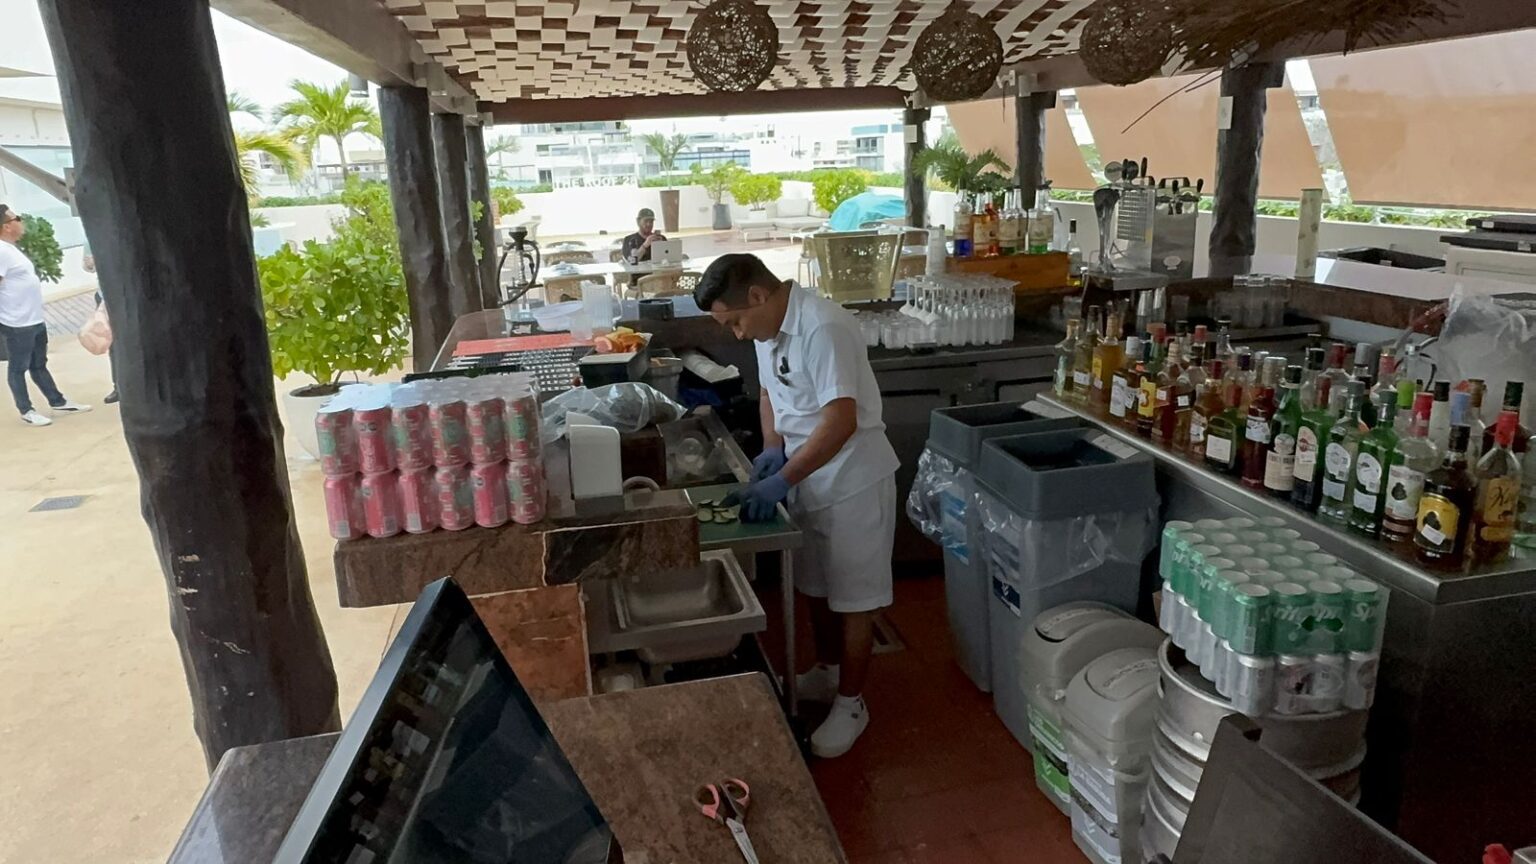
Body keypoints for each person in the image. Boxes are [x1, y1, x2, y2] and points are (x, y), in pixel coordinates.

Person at [696, 253, 899, 758]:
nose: (739, 334)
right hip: (806, 476)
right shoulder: (770, 332)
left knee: (854, 599)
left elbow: (841, 420)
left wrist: (784, 476)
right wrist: (771, 447)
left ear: (759, 296)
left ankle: (852, 703)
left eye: (736, 320)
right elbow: (770, 392)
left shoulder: (823, 327)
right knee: (815, 585)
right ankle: (829, 671)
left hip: (852, 481)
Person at [0, 205, 90, 426]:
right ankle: (26, 410)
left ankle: (57, 401)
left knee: (39, 363)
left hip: (34, 318)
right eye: (17, 218)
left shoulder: (12, 248)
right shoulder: (1, 251)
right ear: (6, 226)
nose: (21, 222)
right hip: (17, 322)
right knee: (18, 367)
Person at [82, 243, 118, 404]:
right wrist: (91, 263)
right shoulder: (92, 237)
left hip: (130, 293)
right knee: (113, 344)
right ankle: (119, 387)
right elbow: (87, 266)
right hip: (105, 296)